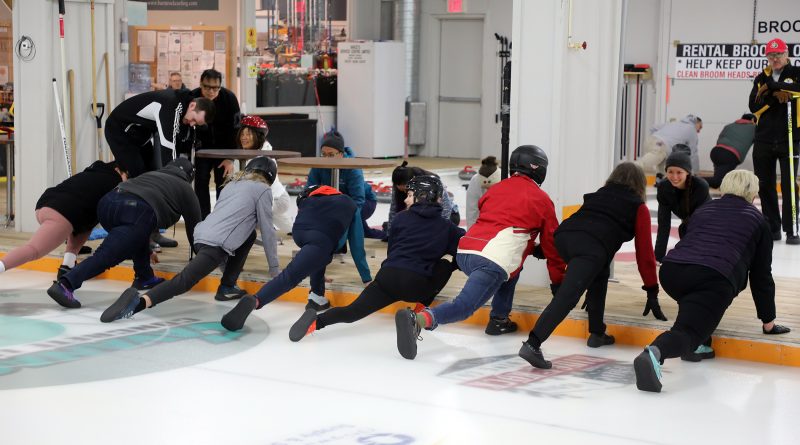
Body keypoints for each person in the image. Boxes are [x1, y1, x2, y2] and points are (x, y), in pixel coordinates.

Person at [394, 145, 566, 360]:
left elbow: (504, 226)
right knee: (465, 306)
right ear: (539, 169)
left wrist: (530, 247)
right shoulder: (541, 199)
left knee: (512, 267)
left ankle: (499, 319)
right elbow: (553, 245)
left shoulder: (496, 189)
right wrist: (558, 282)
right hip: (491, 259)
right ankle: (419, 320)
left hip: (466, 251)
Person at [633, 170, 791, 393]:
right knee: (687, 332)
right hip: (713, 277)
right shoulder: (758, 222)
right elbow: (761, 277)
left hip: (672, 271)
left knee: (696, 306)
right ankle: (655, 353)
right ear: (752, 194)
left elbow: (687, 232)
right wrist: (769, 322)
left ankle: (698, 345)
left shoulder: (704, 209)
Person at [519, 162, 665, 369]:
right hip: (590, 248)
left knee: (600, 273)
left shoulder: (599, 194)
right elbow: (645, 254)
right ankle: (533, 344)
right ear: (640, 184)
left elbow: (581, 226)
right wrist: (652, 289)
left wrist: (544, 250)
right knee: (568, 297)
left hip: (564, 238)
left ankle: (597, 333)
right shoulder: (637, 206)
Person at [100, 156, 280, 322]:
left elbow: (230, 220)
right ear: (269, 178)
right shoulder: (263, 189)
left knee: (250, 234)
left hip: (200, 236)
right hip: (215, 245)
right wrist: (274, 270)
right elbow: (268, 230)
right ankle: (138, 303)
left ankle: (227, 286)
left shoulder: (231, 185)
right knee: (184, 281)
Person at [288, 175, 465, 342]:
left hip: (387, 277)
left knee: (352, 312)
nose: (405, 199)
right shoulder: (448, 228)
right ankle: (418, 314)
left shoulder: (400, 219)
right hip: (416, 285)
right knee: (446, 264)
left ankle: (315, 322)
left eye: (410, 195)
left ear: (423, 196)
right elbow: (463, 250)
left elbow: (392, 250)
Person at [46, 158, 202, 309]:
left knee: (140, 231)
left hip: (107, 203)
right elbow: (196, 231)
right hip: (135, 210)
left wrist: (147, 248)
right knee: (107, 255)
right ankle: (66, 284)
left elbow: (143, 218)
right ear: (190, 177)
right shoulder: (186, 188)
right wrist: (205, 257)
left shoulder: (151, 175)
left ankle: (144, 277)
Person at [219, 185, 357, 332]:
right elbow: (356, 243)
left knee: (315, 256)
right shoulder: (347, 204)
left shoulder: (312, 201)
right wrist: (366, 278)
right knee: (290, 276)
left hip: (300, 233)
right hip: (320, 241)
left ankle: (317, 297)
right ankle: (257, 300)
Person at [0, 161, 126, 278]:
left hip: (46, 203)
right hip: (61, 212)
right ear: (119, 171)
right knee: (34, 250)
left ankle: (67, 266)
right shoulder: (115, 183)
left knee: (85, 225)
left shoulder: (95, 171)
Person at [305, 130, 372, 305]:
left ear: (341, 154)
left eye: (332, 155)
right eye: (323, 154)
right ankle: (317, 282)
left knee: (348, 234)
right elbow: (308, 193)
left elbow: (359, 200)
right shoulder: (318, 166)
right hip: (328, 208)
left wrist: (340, 220)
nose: (327, 159)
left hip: (359, 206)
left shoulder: (353, 168)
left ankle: (366, 277)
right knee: (319, 240)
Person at [748, 37, 800, 244]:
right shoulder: (761, 77)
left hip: (790, 137)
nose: (775, 58)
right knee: (765, 185)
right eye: (771, 54)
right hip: (764, 139)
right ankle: (772, 226)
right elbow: (753, 106)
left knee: (789, 184)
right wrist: (773, 95)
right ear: (767, 57)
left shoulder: (796, 73)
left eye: (779, 54)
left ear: (786, 54)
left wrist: (775, 87)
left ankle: (792, 229)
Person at [105, 90, 214, 178]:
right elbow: (169, 146)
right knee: (138, 177)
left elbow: (179, 141)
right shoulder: (172, 105)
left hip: (139, 133)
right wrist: (175, 183)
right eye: (194, 119)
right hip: (119, 129)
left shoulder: (186, 107)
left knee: (150, 173)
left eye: (196, 123)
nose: (192, 124)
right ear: (192, 105)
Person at [192, 69, 242, 218]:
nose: (211, 91)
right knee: (200, 182)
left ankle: (221, 219)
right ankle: (204, 218)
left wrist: (231, 158)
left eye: (215, 88)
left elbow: (236, 130)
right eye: (207, 87)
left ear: (220, 86)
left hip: (224, 149)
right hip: (202, 149)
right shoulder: (192, 98)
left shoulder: (229, 98)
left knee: (223, 184)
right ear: (201, 84)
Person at [237, 115, 294, 232]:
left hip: (277, 199)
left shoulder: (265, 158)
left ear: (258, 136)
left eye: (248, 134)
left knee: (248, 210)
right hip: (273, 199)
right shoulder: (247, 153)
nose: (244, 137)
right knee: (288, 226)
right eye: (242, 134)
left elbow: (255, 187)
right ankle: (296, 231)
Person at [654, 149, 711, 263]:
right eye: (670, 172)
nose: (674, 177)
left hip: (706, 224)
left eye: (679, 172)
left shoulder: (700, 187)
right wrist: (658, 257)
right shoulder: (664, 188)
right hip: (686, 221)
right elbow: (663, 223)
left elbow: (699, 222)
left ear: (687, 172)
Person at [387, 161, 460, 238]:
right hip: (423, 217)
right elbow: (393, 209)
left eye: (405, 188)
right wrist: (390, 234)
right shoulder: (398, 185)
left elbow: (446, 208)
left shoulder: (433, 182)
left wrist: (441, 231)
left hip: (448, 216)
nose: (400, 188)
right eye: (397, 186)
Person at [702, 114, 756, 189]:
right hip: (730, 155)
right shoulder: (754, 128)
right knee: (717, 182)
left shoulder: (729, 126)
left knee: (721, 181)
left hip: (716, 152)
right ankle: (691, 180)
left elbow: (719, 139)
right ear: (753, 120)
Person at [637, 115, 703, 175]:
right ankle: (627, 171)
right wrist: (696, 173)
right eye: (700, 127)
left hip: (651, 140)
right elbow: (693, 154)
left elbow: (653, 127)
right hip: (660, 145)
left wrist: (657, 138)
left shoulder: (674, 123)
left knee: (663, 168)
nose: (699, 131)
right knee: (642, 165)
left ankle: (661, 182)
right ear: (696, 123)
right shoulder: (692, 129)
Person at [466, 156, 501, 229]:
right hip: (483, 220)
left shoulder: (506, 178)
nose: (488, 191)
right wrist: (471, 233)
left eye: (490, 187)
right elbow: (472, 211)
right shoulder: (476, 181)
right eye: (485, 188)